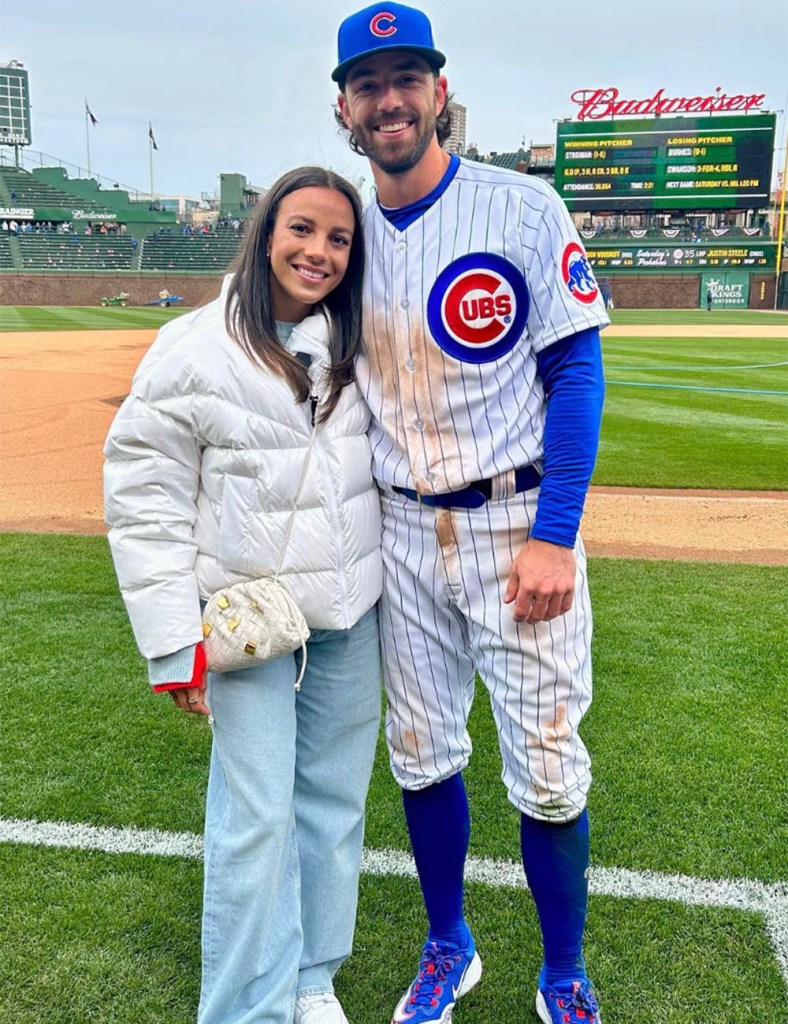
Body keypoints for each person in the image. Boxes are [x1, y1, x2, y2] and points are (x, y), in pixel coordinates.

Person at [332, 5, 609, 1024]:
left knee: (544, 762)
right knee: (419, 749)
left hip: (515, 519)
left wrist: (554, 533)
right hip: (398, 527)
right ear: (344, 108)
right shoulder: (344, 234)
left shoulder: (522, 209)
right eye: (368, 84)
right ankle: (448, 943)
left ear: (437, 92)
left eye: (407, 77)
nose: (389, 98)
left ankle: (562, 970)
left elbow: (576, 370)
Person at [104, 166, 383, 1024]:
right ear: (266, 233)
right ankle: (240, 1009)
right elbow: (144, 492)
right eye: (302, 229)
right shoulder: (193, 345)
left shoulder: (359, 343)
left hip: (348, 615)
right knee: (254, 823)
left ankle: (310, 979)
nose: (319, 251)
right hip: (250, 627)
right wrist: (167, 640)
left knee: (332, 809)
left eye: (339, 238)